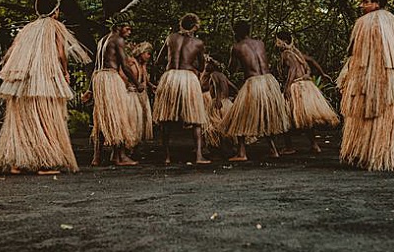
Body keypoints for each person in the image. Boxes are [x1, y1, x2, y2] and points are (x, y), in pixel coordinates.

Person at [0, 0, 88, 176]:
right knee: (46, 118)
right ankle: (44, 163)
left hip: (24, 81)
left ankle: (17, 163)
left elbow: (15, 52)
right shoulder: (55, 27)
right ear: (55, 11)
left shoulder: (28, 29)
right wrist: (65, 71)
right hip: (45, 80)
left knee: (23, 119)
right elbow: (60, 53)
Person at [338, 0, 394, 173]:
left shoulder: (364, 23)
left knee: (369, 115)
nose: (361, 5)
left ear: (377, 2)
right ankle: (376, 156)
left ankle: (371, 156)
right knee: (380, 117)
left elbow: (353, 53)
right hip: (388, 82)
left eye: (365, 2)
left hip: (371, 80)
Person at [222, 20, 291, 162]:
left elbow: (232, 68)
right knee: (266, 115)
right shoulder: (260, 43)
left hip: (253, 82)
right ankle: (273, 150)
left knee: (239, 115)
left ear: (235, 33)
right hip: (269, 81)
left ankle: (241, 152)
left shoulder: (236, 47)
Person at [152, 11, 211, 166]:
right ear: (195, 27)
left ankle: (166, 157)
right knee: (196, 119)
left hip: (170, 77)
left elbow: (158, 61)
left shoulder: (170, 38)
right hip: (188, 77)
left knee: (166, 118)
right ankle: (198, 156)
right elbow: (202, 65)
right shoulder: (198, 43)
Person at [274, 27, 340, 154]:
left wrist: (287, 86)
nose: (276, 44)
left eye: (277, 41)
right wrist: (322, 73)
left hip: (296, 86)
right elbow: (311, 60)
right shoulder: (296, 53)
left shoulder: (286, 54)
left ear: (284, 41)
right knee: (305, 117)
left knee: (284, 115)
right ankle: (314, 145)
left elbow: (292, 69)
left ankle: (289, 147)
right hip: (306, 86)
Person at [90, 18, 141, 168]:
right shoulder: (117, 39)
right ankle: (120, 156)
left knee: (102, 117)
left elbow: (95, 66)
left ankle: (97, 157)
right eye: (128, 28)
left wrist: (89, 89)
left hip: (99, 78)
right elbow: (125, 66)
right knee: (118, 115)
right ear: (119, 27)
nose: (129, 32)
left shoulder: (102, 40)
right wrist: (137, 83)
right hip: (111, 78)